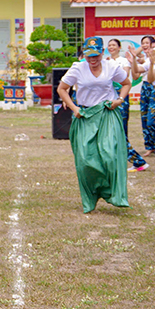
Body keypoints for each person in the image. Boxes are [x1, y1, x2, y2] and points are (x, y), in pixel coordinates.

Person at [57, 37, 131, 214]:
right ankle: (91, 196)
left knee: (109, 154)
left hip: (106, 113)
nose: (92, 59)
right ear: (84, 54)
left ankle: (114, 194)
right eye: (89, 56)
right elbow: (61, 88)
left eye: (96, 55)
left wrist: (119, 100)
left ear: (102, 52)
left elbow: (126, 83)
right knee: (84, 160)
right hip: (84, 115)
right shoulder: (77, 68)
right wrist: (74, 108)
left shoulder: (111, 66)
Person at [105, 38, 148, 172]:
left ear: (119, 48)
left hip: (120, 96)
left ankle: (138, 161)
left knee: (119, 131)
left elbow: (124, 76)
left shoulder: (123, 60)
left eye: (114, 45)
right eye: (109, 45)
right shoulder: (105, 61)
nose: (111, 47)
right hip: (108, 97)